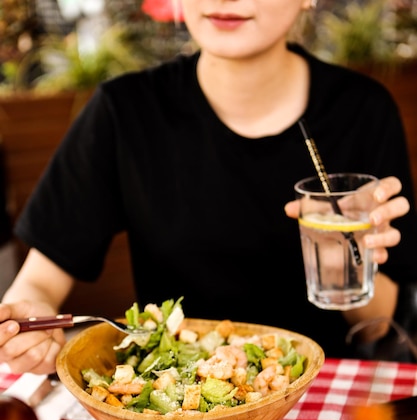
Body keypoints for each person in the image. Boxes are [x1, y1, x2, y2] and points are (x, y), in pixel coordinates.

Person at [0, 0, 416, 375]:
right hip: (172, 405)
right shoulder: (124, 110)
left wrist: (342, 254)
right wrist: (29, 322)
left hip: (321, 401)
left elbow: (380, 325)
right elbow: (38, 283)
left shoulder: (363, 110)